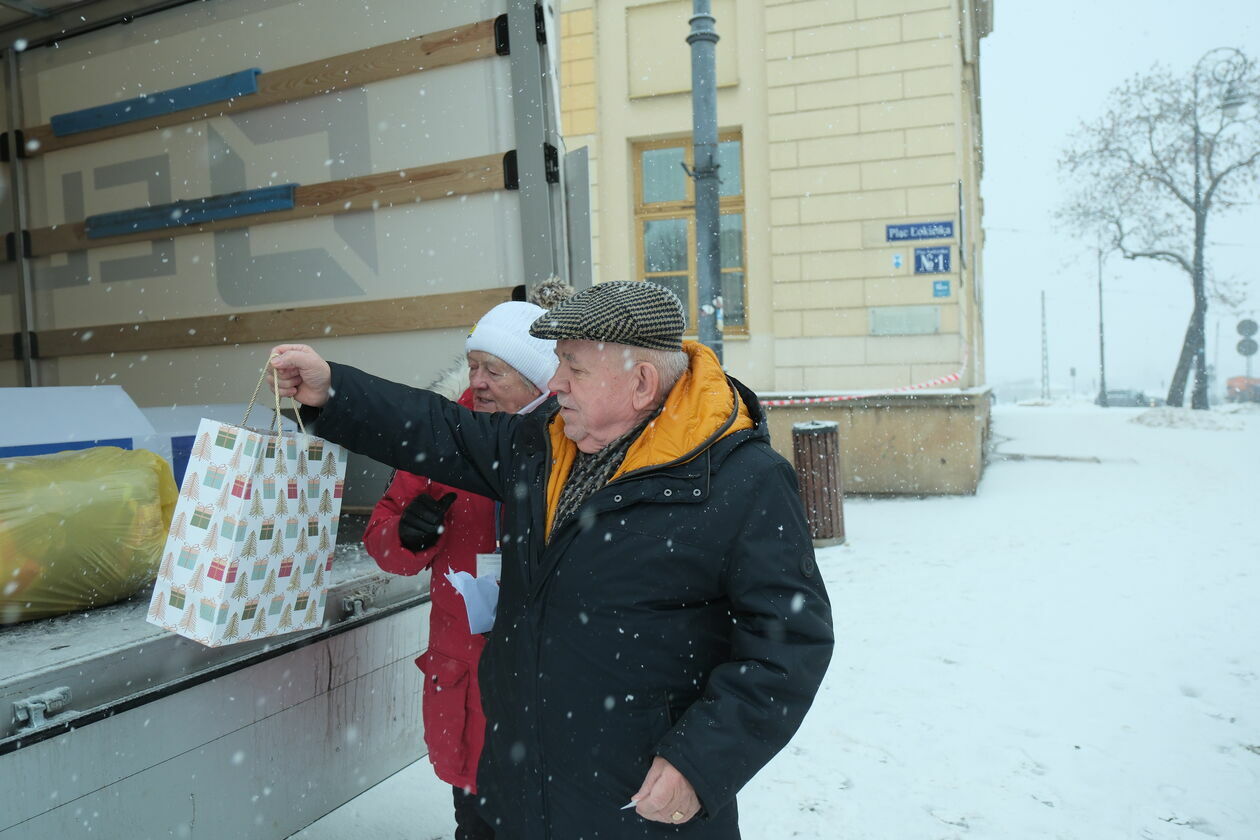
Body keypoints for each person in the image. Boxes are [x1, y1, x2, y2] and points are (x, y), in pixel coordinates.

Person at [269, 281, 834, 839]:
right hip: (518, 783)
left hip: (637, 805)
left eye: (574, 367)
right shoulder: (543, 444)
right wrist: (333, 390)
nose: (555, 381)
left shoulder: (742, 480)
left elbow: (788, 643)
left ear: (640, 383)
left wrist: (702, 762)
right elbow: (442, 429)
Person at [362, 300, 559, 840]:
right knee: (477, 822)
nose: (479, 382)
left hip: (546, 676)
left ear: (538, 377)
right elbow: (381, 534)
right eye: (473, 366)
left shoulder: (574, 443)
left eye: (494, 370)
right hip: (465, 675)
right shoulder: (443, 433)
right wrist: (408, 535)